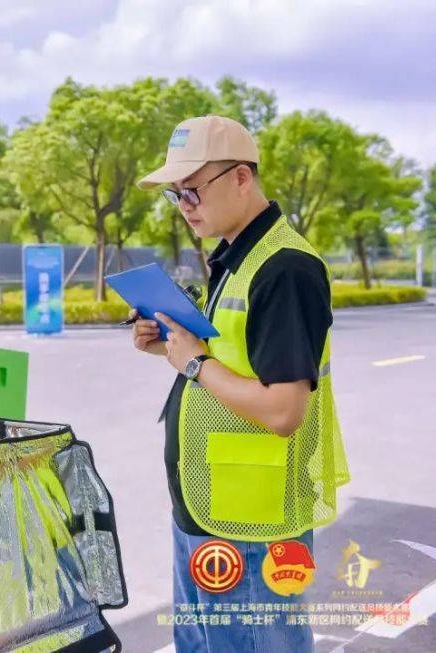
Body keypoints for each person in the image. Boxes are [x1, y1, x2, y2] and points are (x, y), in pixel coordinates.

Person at [132, 115, 349, 652]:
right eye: (176, 196)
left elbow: (283, 410)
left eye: (193, 190)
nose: (186, 206)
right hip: (211, 507)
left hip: (254, 521)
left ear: (241, 178)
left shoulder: (285, 269)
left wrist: (193, 364)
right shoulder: (237, 256)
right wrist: (172, 344)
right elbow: (233, 356)